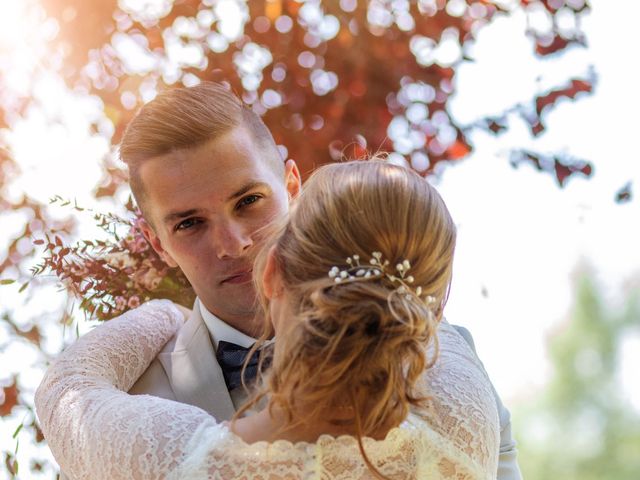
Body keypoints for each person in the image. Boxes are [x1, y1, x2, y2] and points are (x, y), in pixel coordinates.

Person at [64, 82, 520, 478]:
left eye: (248, 201)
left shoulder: (442, 363)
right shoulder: (132, 391)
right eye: (189, 224)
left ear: (293, 188)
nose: (233, 242)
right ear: (159, 244)